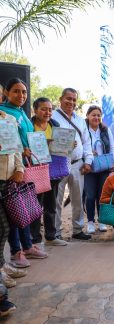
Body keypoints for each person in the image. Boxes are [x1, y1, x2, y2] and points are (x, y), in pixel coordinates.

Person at [0, 78, 48, 267]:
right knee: (12, 213)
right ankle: (16, 251)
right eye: (16, 91)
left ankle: (27, 245)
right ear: (7, 93)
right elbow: (12, 144)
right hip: (8, 172)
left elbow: (24, 140)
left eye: (24, 92)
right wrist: (21, 151)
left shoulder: (19, 114)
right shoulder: (5, 113)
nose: (21, 95)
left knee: (24, 208)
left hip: (21, 168)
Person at [52, 88, 94, 240]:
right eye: (68, 98)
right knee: (57, 200)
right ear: (61, 99)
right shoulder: (52, 116)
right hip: (58, 163)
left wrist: (88, 161)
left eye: (74, 100)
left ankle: (77, 230)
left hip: (77, 164)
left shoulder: (80, 120)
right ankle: (55, 232)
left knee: (77, 199)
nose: (71, 102)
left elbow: (87, 142)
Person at [30, 97, 68, 246]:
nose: (47, 112)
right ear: (35, 110)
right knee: (35, 206)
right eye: (43, 109)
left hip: (53, 170)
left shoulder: (55, 125)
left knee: (51, 204)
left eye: (50, 109)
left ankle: (51, 237)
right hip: (35, 170)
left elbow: (60, 147)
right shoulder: (29, 125)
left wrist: (68, 143)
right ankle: (35, 239)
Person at [0, 111, 27, 290]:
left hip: (8, 179)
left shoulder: (7, 119)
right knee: (2, 227)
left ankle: (2, 265)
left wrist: (20, 168)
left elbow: (16, 147)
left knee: (6, 226)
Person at [84, 105, 114, 234]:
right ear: (88, 116)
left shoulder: (105, 129)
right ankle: (91, 221)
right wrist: (87, 152)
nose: (96, 117)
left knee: (102, 196)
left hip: (104, 166)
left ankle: (102, 221)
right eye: (93, 115)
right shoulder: (84, 129)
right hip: (89, 168)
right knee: (90, 195)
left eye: (98, 115)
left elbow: (113, 146)